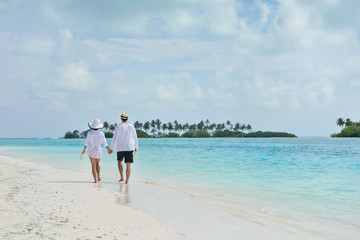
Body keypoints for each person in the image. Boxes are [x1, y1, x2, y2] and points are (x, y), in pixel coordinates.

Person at [109, 112, 138, 184]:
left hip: (120, 148)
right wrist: (136, 147)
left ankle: (122, 177)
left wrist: (111, 148)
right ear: (127, 119)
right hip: (129, 147)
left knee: (119, 162)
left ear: (121, 118)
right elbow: (135, 137)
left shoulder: (118, 127)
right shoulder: (131, 126)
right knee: (128, 165)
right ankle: (127, 181)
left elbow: (115, 138)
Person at [82, 119, 111, 183]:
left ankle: (95, 180)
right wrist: (109, 150)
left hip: (91, 150)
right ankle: (98, 176)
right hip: (99, 151)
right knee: (97, 164)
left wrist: (84, 150)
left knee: (93, 166)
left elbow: (86, 143)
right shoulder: (101, 133)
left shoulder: (89, 133)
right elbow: (105, 144)